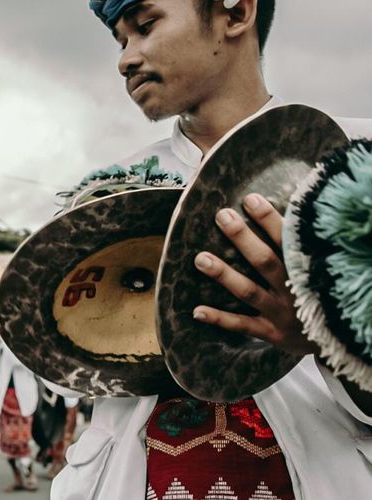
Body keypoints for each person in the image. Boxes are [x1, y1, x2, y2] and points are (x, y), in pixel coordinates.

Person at [47, 1, 372, 498]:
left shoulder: (357, 162)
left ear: (236, 13)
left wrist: (323, 331)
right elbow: (65, 370)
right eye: (120, 40)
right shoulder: (108, 195)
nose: (126, 59)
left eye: (145, 26)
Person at [0, 339, 39, 492]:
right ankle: (17, 477)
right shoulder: (2, 343)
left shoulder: (27, 340)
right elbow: (0, 370)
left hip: (22, 399)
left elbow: (27, 362)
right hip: (4, 397)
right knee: (6, 442)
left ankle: (30, 474)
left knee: (21, 441)